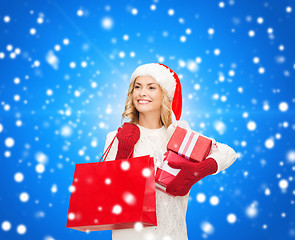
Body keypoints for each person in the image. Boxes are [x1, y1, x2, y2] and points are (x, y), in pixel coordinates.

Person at [103, 63, 238, 240]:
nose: (142, 93)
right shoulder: (117, 137)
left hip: (173, 234)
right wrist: (123, 150)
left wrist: (197, 171)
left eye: (151, 87)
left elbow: (228, 153)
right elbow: (111, 194)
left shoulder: (178, 134)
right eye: (138, 87)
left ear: (166, 95)